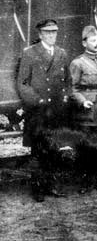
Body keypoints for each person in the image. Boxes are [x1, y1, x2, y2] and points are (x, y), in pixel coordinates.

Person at [17, 19, 70, 202]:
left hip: (56, 111)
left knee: (54, 149)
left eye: (54, 32)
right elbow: (22, 83)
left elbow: (67, 81)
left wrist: (65, 97)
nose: (51, 35)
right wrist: (36, 99)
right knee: (38, 151)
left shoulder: (62, 53)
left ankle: (52, 186)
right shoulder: (29, 53)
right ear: (40, 35)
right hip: (38, 111)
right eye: (47, 32)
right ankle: (38, 188)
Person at [69, 25, 97, 193]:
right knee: (85, 147)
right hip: (86, 111)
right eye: (93, 40)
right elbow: (72, 88)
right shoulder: (77, 63)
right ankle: (85, 181)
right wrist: (82, 101)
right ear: (84, 43)